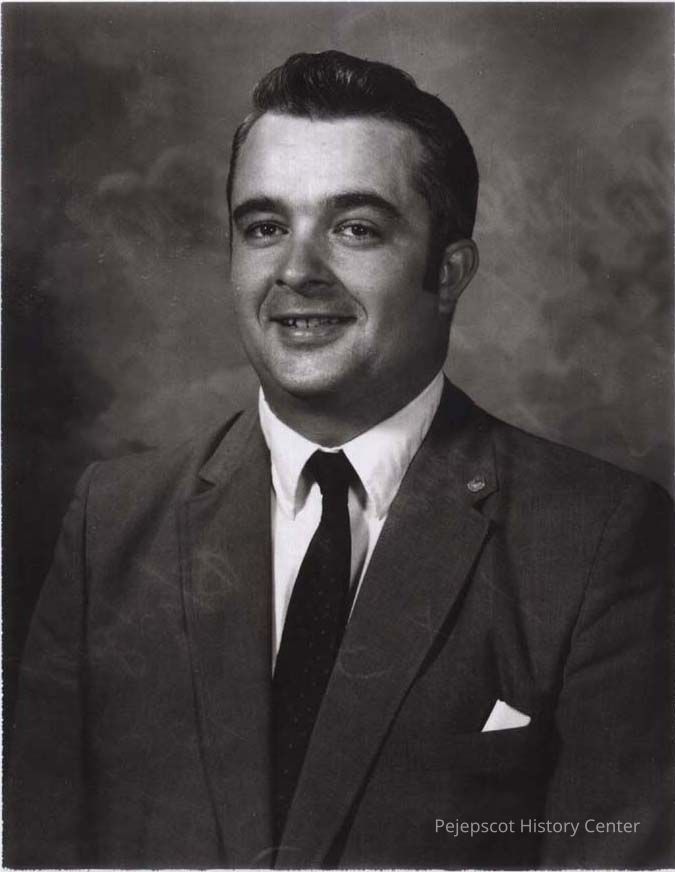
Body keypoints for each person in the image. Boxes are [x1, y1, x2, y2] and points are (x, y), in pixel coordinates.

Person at [6, 51, 672, 870]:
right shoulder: (109, 524)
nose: (296, 271)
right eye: (264, 227)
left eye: (355, 228)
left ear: (449, 274)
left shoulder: (598, 538)